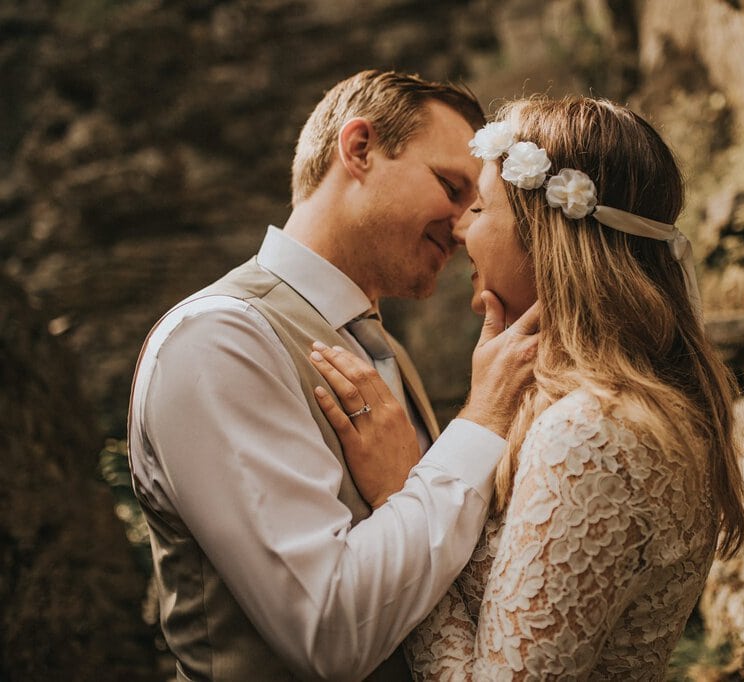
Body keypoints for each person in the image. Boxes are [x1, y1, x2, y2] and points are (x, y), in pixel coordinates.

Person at [310, 96, 744, 679]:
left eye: (482, 208)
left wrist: (400, 495)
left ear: (542, 234)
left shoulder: (593, 433)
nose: (461, 230)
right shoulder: (577, 407)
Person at [127, 70, 539, 682]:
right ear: (360, 149)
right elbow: (329, 632)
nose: (462, 225)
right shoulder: (217, 341)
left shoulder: (384, 352)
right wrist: (480, 423)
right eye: (451, 187)